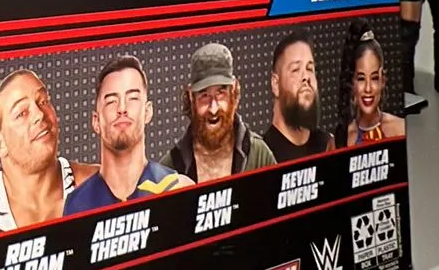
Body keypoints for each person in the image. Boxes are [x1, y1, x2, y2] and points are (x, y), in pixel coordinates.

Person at [0, 69, 97, 235]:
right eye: (22, 113)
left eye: (43, 102)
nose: (39, 115)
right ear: (0, 144)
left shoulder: (98, 185)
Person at [64, 55, 191, 215]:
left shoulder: (178, 190)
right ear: (96, 121)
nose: (122, 108)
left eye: (132, 98)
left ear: (147, 112)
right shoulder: (76, 205)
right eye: (111, 101)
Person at [165, 43, 275, 182]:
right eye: (204, 95)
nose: (213, 109)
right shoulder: (170, 168)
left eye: (220, 93)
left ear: (234, 91)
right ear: (191, 97)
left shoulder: (259, 155)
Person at [262, 32, 333, 161]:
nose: (306, 77)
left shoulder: (329, 146)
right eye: (295, 69)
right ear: (275, 84)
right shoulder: (262, 158)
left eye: (310, 69)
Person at [333, 21, 405, 146]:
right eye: (361, 79)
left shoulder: (401, 128)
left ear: (383, 80)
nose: (368, 88)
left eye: (374, 78)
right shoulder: (342, 139)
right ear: (352, 82)